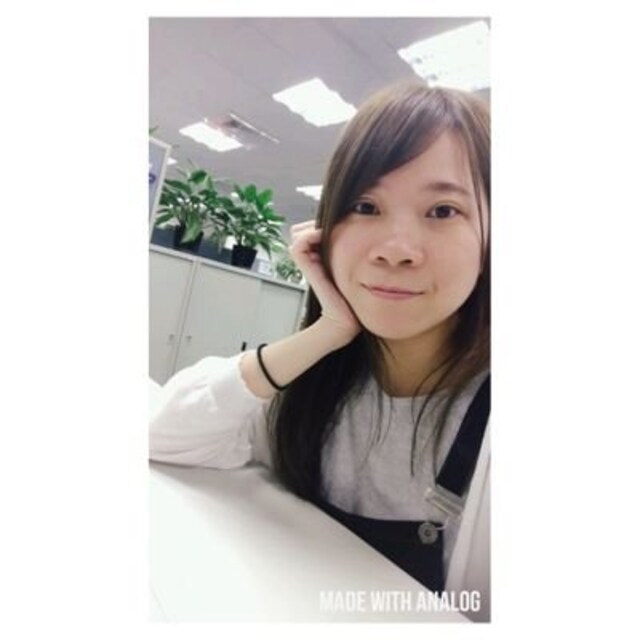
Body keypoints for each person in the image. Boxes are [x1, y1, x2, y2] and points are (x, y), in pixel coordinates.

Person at [150, 79, 491, 621]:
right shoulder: (320, 385)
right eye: (365, 205)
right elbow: (166, 435)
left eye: (443, 210)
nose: (397, 250)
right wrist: (328, 331)